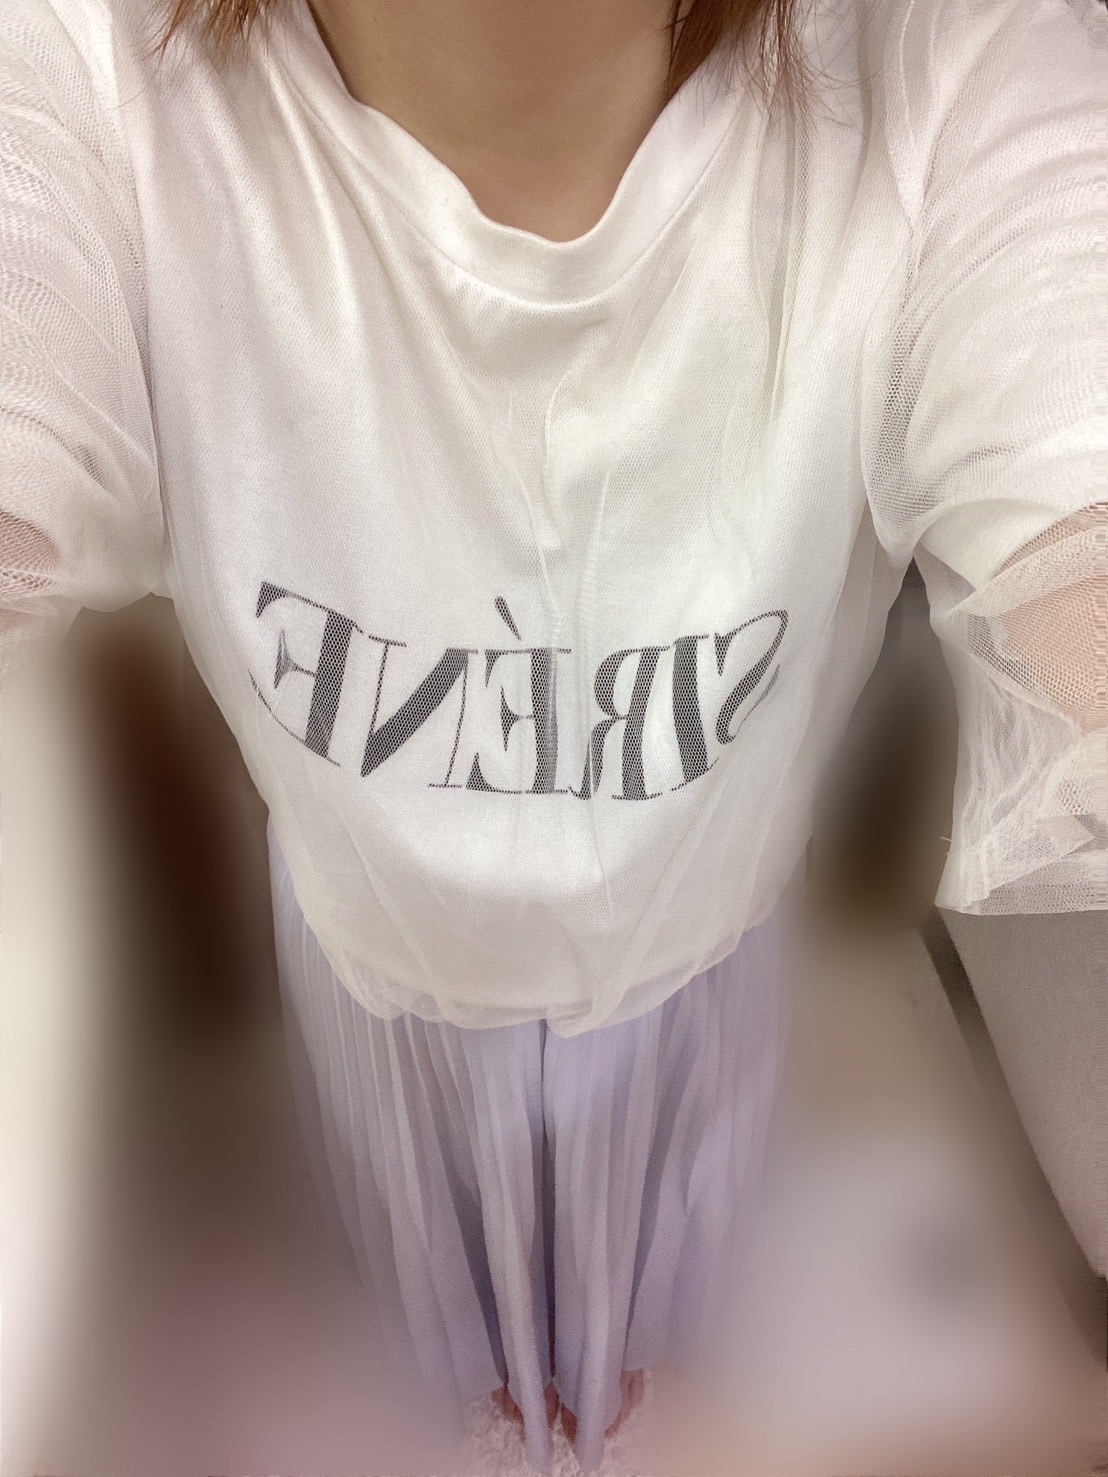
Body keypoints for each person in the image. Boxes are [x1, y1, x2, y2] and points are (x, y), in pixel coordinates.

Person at [0, 0, 1103, 1466]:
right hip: (376, 974)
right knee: (427, 1305)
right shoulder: (96, 80)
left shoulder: (949, 74)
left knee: (663, 1302)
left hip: (698, 973)